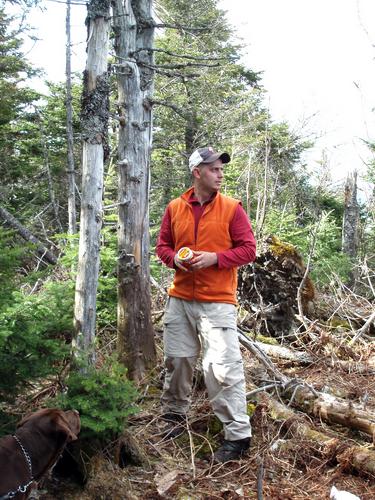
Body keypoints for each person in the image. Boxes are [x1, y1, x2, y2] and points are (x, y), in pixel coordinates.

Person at [156, 146, 256, 462]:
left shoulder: (231, 208)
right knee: (178, 361)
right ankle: (173, 417)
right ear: (197, 172)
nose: (220, 174)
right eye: (214, 169)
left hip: (218, 303)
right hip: (180, 299)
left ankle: (237, 438)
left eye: (221, 169)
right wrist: (175, 260)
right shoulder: (174, 208)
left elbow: (249, 250)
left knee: (222, 368)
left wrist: (215, 259)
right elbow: (163, 247)